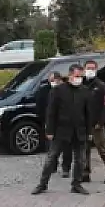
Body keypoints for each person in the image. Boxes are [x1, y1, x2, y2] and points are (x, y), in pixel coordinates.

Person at [32, 64, 91, 195]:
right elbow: (51, 112)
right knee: (51, 157)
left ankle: (76, 184)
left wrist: (89, 131)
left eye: (81, 76)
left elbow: (88, 113)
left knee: (80, 160)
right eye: (77, 76)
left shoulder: (85, 91)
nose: (79, 79)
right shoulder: (58, 90)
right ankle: (42, 184)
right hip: (61, 130)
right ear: (70, 75)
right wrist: (49, 130)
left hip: (79, 131)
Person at [81, 59, 105, 184]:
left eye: (92, 68)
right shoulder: (81, 84)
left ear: (96, 70)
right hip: (83, 123)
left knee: (101, 149)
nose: (90, 70)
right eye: (88, 68)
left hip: (97, 124)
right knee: (84, 149)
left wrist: (101, 122)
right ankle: (85, 173)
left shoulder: (101, 86)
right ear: (84, 69)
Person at [39, 72, 73, 177]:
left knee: (67, 148)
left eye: (53, 80)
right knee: (52, 148)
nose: (51, 83)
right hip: (53, 124)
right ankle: (52, 167)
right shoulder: (50, 91)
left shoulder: (67, 90)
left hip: (66, 123)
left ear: (58, 79)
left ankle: (66, 169)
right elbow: (47, 109)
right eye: (50, 81)